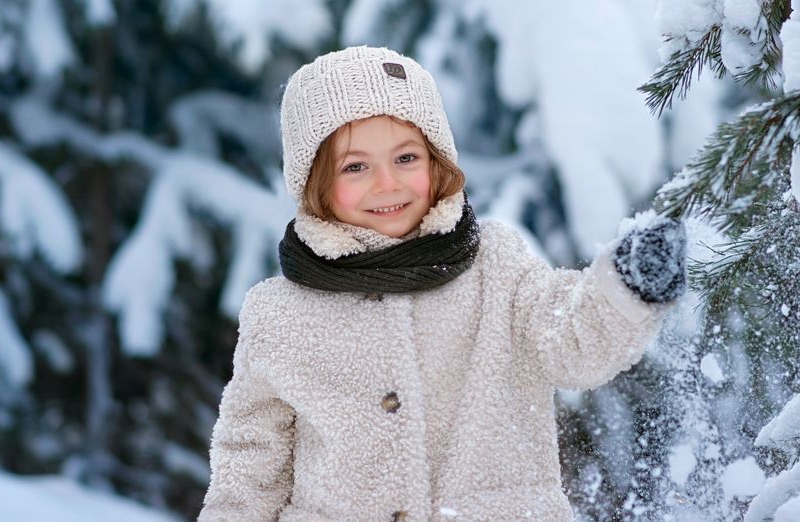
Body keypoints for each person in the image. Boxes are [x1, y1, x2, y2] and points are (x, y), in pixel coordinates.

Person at [198, 46, 686, 522]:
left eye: (406, 158)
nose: (387, 183)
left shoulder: (496, 267)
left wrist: (626, 286)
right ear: (313, 183)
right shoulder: (280, 313)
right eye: (355, 166)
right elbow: (250, 462)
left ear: (438, 162)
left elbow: (571, 339)